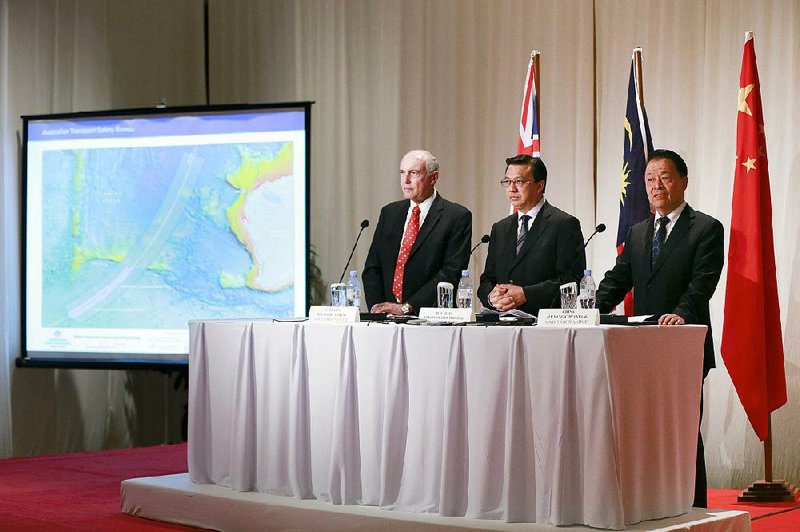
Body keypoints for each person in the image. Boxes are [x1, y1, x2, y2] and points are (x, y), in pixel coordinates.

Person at [595, 149, 724, 508]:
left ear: (684, 181)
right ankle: (652, 501)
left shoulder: (706, 228)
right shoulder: (638, 232)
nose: (656, 185)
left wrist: (682, 313)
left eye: (664, 177)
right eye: (650, 179)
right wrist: (586, 311)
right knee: (645, 430)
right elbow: (617, 281)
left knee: (682, 428)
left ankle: (694, 505)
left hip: (683, 344)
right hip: (640, 347)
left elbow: (703, 283)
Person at [363, 150, 472, 315]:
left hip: (429, 318)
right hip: (386, 319)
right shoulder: (389, 213)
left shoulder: (456, 216)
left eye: (414, 173)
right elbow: (373, 267)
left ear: (434, 177)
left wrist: (407, 308)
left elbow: (451, 272)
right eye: (402, 172)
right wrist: (378, 308)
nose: (405, 180)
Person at [477, 154, 585, 315]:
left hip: (543, 324)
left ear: (540, 185)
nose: (512, 189)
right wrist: (491, 296)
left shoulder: (564, 224)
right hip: (502, 323)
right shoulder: (500, 228)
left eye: (519, 182)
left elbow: (572, 281)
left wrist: (526, 294)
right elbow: (487, 279)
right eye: (507, 182)